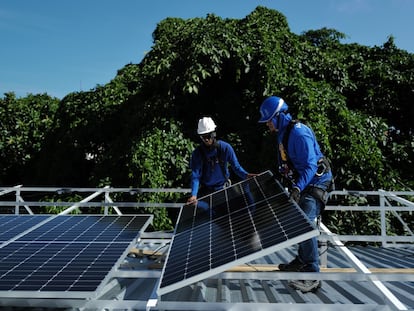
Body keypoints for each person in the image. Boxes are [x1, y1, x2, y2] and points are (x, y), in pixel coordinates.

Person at [258, 96, 333, 293]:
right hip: (302, 183)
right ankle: (302, 260)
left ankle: (312, 275)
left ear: (278, 116)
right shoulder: (283, 134)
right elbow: (287, 163)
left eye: (268, 120)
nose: (267, 124)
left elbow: (310, 165)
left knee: (304, 224)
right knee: (296, 221)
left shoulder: (299, 134)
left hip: (315, 182)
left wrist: (297, 188)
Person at [187, 117, 256, 204]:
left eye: (208, 136)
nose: (206, 139)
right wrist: (194, 195)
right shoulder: (197, 154)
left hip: (224, 188)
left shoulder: (225, 148)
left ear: (213, 134)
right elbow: (195, 176)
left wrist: (246, 175)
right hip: (207, 192)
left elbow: (236, 167)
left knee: (248, 205)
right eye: (203, 137)